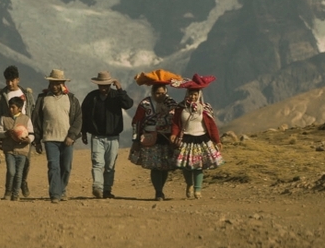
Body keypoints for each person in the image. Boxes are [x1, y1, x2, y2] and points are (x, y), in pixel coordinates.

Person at [129, 69, 182, 201]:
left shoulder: (171, 103)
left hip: (166, 137)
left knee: (165, 166)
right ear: (152, 92)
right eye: (157, 93)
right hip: (150, 137)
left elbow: (177, 120)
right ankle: (158, 191)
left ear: (166, 92)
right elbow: (137, 122)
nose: (160, 96)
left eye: (162, 93)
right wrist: (135, 140)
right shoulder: (145, 104)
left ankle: (161, 189)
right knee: (155, 165)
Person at [32, 69, 82, 203]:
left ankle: (62, 189)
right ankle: (55, 194)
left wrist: (72, 136)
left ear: (62, 83)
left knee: (66, 167)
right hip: (50, 139)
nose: (54, 86)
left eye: (57, 83)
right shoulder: (42, 99)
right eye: (52, 83)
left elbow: (78, 119)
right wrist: (37, 140)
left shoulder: (71, 99)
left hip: (67, 140)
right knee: (53, 166)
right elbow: (36, 120)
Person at [171, 73, 224, 199]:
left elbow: (211, 126)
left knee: (199, 166)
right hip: (186, 139)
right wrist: (173, 134)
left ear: (199, 95)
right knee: (187, 166)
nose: (193, 96)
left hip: (201, 139)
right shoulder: (180, 108)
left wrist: (217, 141)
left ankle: (197, 190)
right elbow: (176, 123)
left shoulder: (205, 108)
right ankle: (189, 184)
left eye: (195, 94)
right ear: (187, 94)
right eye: (191, 94)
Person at [81, 71, 134, 199]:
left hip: (113, 137)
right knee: (97, 163)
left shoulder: (117, 96)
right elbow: (84, 115)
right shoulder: (91, 97)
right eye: (101, 85)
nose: (103, 88)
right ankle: (97, 187)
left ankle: (107, 190)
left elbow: (128, 104)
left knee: (110, 166)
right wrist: (83, 131)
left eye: (106, 85)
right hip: (97, 137)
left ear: (110, 84)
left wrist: (120, 89)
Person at [0, 65, 36, 198]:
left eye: (12, 80)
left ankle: (22, 181)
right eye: (7, 81)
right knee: (11, 167)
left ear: (18, 79)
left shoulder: (26, 94)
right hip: (9, 132)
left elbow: (32, 112)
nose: (10, 83)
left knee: (26, 162)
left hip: (25, 133)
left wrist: (32, 135)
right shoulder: (2, 96)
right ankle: (10, 190)